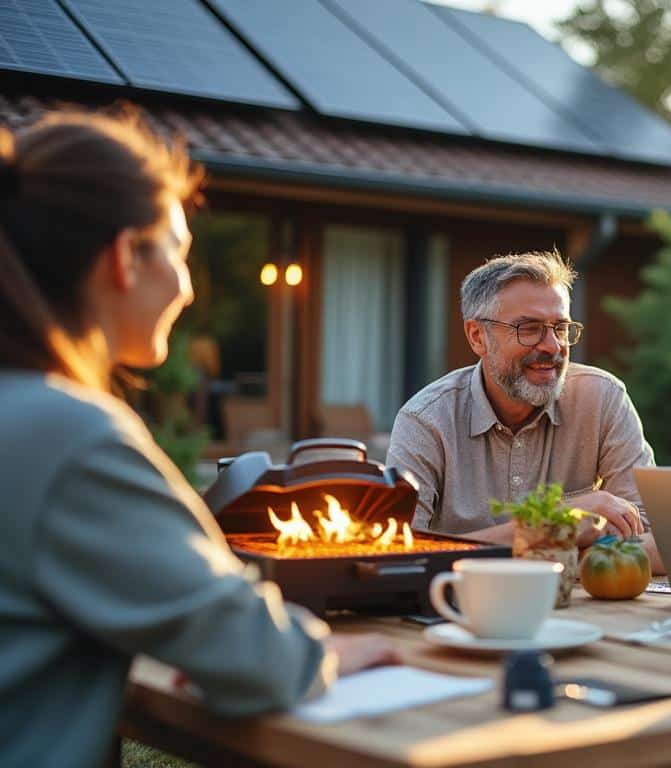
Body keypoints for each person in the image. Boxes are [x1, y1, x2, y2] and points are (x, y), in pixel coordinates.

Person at [0, 109, 399, 766]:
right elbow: (252, 655)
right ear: (125, 257)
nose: (187, 290)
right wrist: (329, 650)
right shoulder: (65, 433)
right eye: (181, 252)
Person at [388, 250, 664, 573]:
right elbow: (399, 557)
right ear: (477, 337)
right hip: (463, 602)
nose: (552, 346)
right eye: (529, 328)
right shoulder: (425, 420)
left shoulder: (602, 399)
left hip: (579, 602)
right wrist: (555, 524)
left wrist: (530, 550)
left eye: (560, 328)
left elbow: (654, 538)